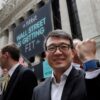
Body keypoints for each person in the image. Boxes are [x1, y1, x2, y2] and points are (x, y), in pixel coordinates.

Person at [32, 29, 87, 100]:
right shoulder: (37, 91)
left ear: (73, 53)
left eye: (63, 46)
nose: (58, 52)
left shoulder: (89, 80)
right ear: (45, 56)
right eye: (51, 48)